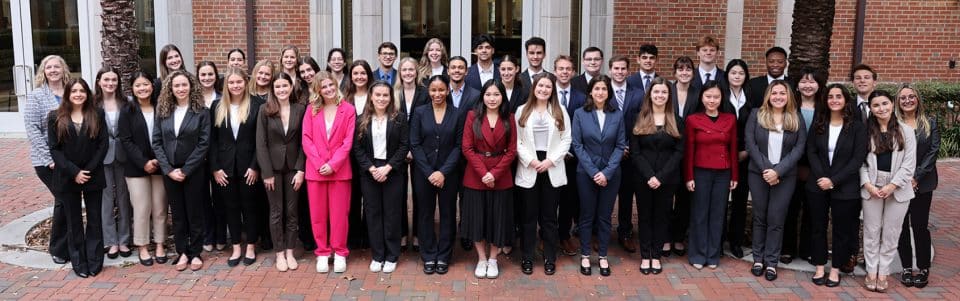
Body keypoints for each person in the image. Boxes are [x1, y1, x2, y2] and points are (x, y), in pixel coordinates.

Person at [806, 84, 868, 287]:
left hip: (845, 186)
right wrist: (823, 177)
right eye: (830, 96)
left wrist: (834, 180)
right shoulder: (819, 122)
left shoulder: (857, 127)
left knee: (842, 230)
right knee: (818, 227)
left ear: (845, 100)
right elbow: (811, 151)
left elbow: (857, 159)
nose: (834, 100)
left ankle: (835, 270)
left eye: (838, 96)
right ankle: (819, 266)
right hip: (818, 184)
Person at [744, 80, 807, 281]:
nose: (778, 96)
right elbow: (750, 143)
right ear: (768, 96)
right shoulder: (756, 114)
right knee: (760, 217)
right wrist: (767, 169)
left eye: (782, 93)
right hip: (758, 174)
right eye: (774, 93)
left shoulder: (795, 117)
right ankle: (758, 259)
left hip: (785, 176)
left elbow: (799, 147)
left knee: (776, 219)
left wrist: (778, 171)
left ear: (788, 96)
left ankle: (771, 262)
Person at [47, 78, 109, 278]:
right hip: (67, 177)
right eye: (74, 91)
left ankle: (94, 260)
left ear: (87, 93)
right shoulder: (55, 117)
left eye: (82, 90)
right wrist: (74, 172)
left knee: (94, 220)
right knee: (73, 222)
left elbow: (103, 145)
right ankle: (79, 262)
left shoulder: (97, 114)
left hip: (93, 175)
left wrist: (87, 171)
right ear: (67, 94)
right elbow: (54, 149)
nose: (78, 94)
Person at [152, 70, 210, 272]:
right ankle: (182, 252)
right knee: (177, 214)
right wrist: (168, 170)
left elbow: (204, 143)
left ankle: (195, 253)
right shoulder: (163, 110)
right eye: (176, 85)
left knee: (194, 212)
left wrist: (185, 169)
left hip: (193, 170)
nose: (181, 89)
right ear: (170, 88)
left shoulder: (201, 111)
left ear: (191, 86)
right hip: (169, 171)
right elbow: (157, 142)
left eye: (184, 85)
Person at [860, 90, 916, 293]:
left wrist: (892, 185)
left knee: (892, 233)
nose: (881, 108)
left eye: (884, 103)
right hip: (872, 186)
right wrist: (867, 184)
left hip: (898, 187)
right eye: (876, 105)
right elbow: (861, 162)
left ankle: (883, 273)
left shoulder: (906, 131)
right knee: (871, 231)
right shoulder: (865, 131)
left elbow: (909, 165)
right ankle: (871, 271)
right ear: (871, 109)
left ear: (892, 104)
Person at [515, 73, 571, 275]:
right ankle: (527, 257)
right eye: (540, 86)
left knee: (549, 218)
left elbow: (566, 139)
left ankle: (549, 257)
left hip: (551, 166)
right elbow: (517, 141)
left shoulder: (560, 110)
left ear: (552, 89)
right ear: (534, 88)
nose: (544, 90)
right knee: (528, 217)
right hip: (529, 165)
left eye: (548, 86)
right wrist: (531, 160)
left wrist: (550, 161)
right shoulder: (522, 110)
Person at [461, 79, 517, 279]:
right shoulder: (472, 116)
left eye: (496, 94)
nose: (492, 99)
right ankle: (481, 258)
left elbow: (511, 151)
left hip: (501, 175)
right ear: (482, 96)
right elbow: (467, 148)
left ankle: (493, 259)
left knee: (498, 219)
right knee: (477, 218)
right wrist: (484, 173)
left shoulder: (509, 118)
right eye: (488, 94)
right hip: (476, 174)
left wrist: (493, 174)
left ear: (503, 97)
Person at [572, 75, 626, 277]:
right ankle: (585, 254)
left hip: (611, 174)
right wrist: (594, 172)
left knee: (605, 217)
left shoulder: (617, 115)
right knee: (586, 216)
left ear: (608, 92)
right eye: (597, 89)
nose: (600, 92)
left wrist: (607, 172)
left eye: (604, 89)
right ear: (590, 92)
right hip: (586, 174)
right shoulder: (580, 114)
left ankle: (603, 256)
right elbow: (577, 145)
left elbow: (621, 145)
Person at [352, 81, 409, 273]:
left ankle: (392, 255)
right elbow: (357, 148)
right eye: (378, 95)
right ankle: (377, 255)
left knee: (392, 215)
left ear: (391, 97)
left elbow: (404, 146)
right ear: (371, 97)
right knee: (373, 214)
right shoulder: (361, 119)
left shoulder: (399, 119)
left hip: (392, 172)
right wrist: (370, 168)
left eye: (385, 95)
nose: (381, 99)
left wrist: (388, 167)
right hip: (370, 173)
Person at [303, 71, 356, 273]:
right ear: (318, 90)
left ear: (336, 85)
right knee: (318, 215)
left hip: (340, 171)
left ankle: (340, 251)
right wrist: (318, 163)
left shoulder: (348, 110)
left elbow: (347, 141)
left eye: (331, 85)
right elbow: (306, 139)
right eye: (323, 87)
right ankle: (323, 252)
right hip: (315, 172)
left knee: (339, 214)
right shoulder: (311, 110)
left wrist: (333, 164)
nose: (328, 89)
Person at [410, 75, 463, 275]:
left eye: (441, 90)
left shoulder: (457, 114)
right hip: (424, 173)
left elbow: (459, 146)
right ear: (428, 92)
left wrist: (443, 172)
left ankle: (444, 255)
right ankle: (429, 254)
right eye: (433, 90)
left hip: (449, 174)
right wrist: (430, 172)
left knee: (448, 214)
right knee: (425, 214)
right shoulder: (419, 112)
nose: (437, 94)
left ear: (448, 91)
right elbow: (414, 144)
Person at [210, 67, 263, 267]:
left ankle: (250, 245)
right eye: (231, 83)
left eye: (239, 82)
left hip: (249, 167)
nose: (235, 86)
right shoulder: (217, 106)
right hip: (225, 169)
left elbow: (261, 139)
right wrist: (215, 168)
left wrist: (255, 166)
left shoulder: (257, 105)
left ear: (245, 82)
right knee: (230, 208)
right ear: (226, 85)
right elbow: (212, 141)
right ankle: (236, 247)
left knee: (250, 207)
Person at [630, 77, 682, 275]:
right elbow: (635, 152)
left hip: (667, 179)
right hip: (643, 178)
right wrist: (650, 176)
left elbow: (679, 152)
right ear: (650, 95)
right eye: (656, 92)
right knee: (644, 217)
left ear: (669, 96)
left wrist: (660, 176)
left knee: (662, 217)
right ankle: (645, 256)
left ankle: (657, 256)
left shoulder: (676, 120)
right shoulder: (639, 118)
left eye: (664, 92)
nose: (660, 95)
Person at [684, 81, 737, 270]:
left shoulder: (730, 118)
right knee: (699, 213)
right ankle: (698, 254)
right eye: (708, 96)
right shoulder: (692, 119)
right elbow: (689, 150)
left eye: (716, 96)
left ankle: (713, 255)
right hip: (700, 171)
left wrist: (734, 176)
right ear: (702, 98)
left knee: (717, 214)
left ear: (722, 98)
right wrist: (689, 176)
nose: (712, 100)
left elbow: (733, 149)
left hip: (723, 172)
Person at [256, 72, 307, 272]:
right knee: (276, 212)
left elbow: (305, 141)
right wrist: (266, 172)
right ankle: (279, 254)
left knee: (292, 212)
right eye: (277, 87)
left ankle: (290, 251)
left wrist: (301, 169)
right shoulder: (264, 110)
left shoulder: (300, 109)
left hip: (294, 168)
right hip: (273, 170)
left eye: (285, 86)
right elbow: (261, 143)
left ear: (291, 87)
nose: (281, 90)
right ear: (273, 89)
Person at [24, 55, 71, 265]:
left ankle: (71, 244)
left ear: (63, 70)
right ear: (43, 71)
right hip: (47, 162)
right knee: (63, 199)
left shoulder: (71, 91)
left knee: (66, 200)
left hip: (70, 158)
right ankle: (58, 248)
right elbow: (32, 129)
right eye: (48, 67)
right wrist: (49, 158)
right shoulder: (37, 96)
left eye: (56, 66)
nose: (53, 70)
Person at [117, 70, 168, 266]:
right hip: (136, 168)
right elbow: (126, 140)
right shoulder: (127, 111)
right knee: (141, 208)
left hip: (160, 165)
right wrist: (144, 162)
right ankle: (143, 246)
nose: (142, 88)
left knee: (160, 207)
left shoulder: (162, 108)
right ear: (133, 89)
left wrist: (157, 160)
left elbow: (167, 135)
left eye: (145, 84)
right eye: (138, 85)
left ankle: (160, 244)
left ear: (152, 86)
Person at [895, 84, 939, 289]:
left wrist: (916, 177)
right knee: (901, 227)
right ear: (898, 102)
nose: (907, 100)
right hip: (899, 184)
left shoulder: (930, 122)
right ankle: (906, 267)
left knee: (920, 226)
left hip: (922, 184)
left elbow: (933, 152)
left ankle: (922, 267)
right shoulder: (894, 124)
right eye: (903, 98)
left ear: (918, 99)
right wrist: (903, 179)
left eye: (911, 96)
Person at [783, 67, 825, 264]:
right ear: (797, 85)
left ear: (819, 85)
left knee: (812, 209)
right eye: (803, 81)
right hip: (791, 165)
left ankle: (807, 249)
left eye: (812, 81)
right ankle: (787, 248)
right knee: (790, 208)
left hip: (816, 167)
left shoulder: (825, 107)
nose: (808, 85)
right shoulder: (790, 106)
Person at [94, 67, 133, 260]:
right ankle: (111, 241)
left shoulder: (127, 102)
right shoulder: (93, 104)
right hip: (102, 157)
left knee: (124, 198)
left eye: (114, 80)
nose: (110, 83)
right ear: (99, 81)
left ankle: (124, 240)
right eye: (106, 80)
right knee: (106, 200)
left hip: (124, 156)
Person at [608, 55, 644, 253]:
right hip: (608, 153)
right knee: (605, 194)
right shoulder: (603, 91)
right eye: (616, 68)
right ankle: (601, 232)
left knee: (627, 195)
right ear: (610, 70)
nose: (619, 72)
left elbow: (640, 123)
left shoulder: (638, 94)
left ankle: (625, 232)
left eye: (623, 69)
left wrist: (628, 146)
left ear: (628, 71)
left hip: (630, 153)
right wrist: (616, 148)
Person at [554, 55, 587, 256]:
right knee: (549, 200)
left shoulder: (582, 97)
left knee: (568, 199)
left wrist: (571, 151)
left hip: (573, 158)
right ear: (555, 71)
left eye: (568, 69)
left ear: (573, 72)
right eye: (561, 68)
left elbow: (582, 128)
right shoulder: (547, 94)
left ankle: (564, 235)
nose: (565, 72)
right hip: (551, 157)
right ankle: (546, 235)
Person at [666, 56, 699, 256]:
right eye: (680, 69)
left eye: (688, 69)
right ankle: (665, 238)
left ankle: (678, 237)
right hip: (668, 150)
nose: (684, 73)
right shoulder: (666, 90)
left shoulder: (698, 93)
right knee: (666, 196)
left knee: (684, 198)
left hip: (689, 151)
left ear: (692, 73)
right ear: (675, 72)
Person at [394, 57, 428, 251]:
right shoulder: (394, 92)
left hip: (419, 149)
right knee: (398, 195)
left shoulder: (424, 92)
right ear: (400, 72)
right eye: (404, 70)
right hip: (398, 149)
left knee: (419, 194)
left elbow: (425, 122)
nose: (408, 73)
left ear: (417, 72)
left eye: (411, 70)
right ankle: (401, 234)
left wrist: (414, 150)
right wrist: (404, 149)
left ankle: (417, 235)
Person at [720, 59, 753, 259]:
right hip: (723, 154)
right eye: (733, 73)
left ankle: (736, 241)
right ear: (727, 75)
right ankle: (719, 239)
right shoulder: (721, 96)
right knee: (721, 200)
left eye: (741, 73)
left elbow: (756, 124)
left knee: (740, 200)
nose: (737, 76)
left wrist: (747, 150)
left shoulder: (752, 96)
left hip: (745, 155)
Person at [344, 60, 374, 249]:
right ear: (351, 76)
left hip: (370, 154)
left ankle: (369, 236)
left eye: (363, 73)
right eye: (356, 73)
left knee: (369, 198)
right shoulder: (345, 97)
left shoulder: (376, 95)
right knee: (353, 197)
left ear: (368, 75)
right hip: (349, 155)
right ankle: (353, 236)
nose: (359, 77)